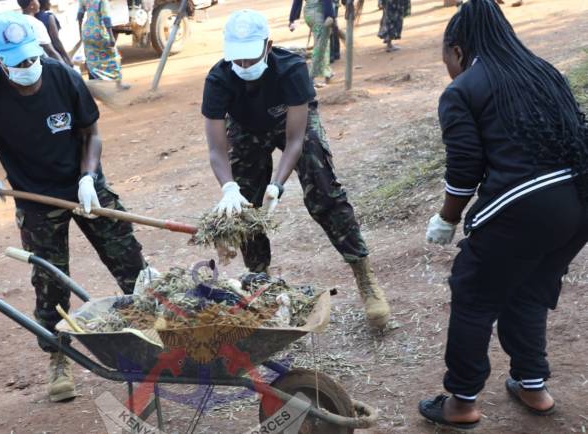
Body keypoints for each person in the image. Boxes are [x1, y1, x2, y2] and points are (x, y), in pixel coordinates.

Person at [0, 11, 148, 402]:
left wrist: (87, 177)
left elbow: (91, 133)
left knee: (130, 262)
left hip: (85, 188)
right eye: (18, 62)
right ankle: (58, 356)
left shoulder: (62, 76)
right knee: (50, 282)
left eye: (32, 57)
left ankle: (155, 338)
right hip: (36, 197)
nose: (28, 68)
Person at [418, 0, 588, 429]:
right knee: (528, 289)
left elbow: (464, 169)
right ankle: (533, 386)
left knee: (473, 294)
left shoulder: (463, 90)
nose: (449, 69)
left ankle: (462, 403)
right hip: (578, 203)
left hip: (526, 207)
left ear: (458, 50)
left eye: (446, 59)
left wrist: (447, 219)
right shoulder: (543, 71)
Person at [202, 9, 391, 329]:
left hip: (289, 122)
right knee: (245, 205)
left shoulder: (290, 68)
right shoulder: (218, 79)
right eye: (238, 58)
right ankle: (259, 283)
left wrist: (277, 184)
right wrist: (228, 188)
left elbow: (294, 140)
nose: (244, 65)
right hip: (246, 128)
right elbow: (216, 149)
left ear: (268, 45)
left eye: (251, 56)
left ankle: (364, 275)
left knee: (323, 189)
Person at [77, 0, 129, 90]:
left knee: (92, 59)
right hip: (99, 32)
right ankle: (119, 84)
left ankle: (94, 86)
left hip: (87, 32)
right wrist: (111, 36)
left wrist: (80, 32)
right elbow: (106, 18)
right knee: (114, 56)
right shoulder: (102, 1)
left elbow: (80, 15)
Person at [289, 0, 336, 88]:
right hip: (319, 13)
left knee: (322, 44)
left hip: (308, 14)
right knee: (321, 45)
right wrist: (330, 15)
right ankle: (311, 76)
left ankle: (327, 72)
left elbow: (297, 2)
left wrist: (292, 19)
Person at [18, 0, 69, 65]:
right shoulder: (35, 23)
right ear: (32, 4)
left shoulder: (17, 22)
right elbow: (50, 51)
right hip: (42, 66)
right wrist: (65, 67)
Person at [36, 0, 72, 65]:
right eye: (48, 1)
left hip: (40, 58)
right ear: (44, 3)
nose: (50, 4)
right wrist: (67, 57)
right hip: (54, 55)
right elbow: (56, 40)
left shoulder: (32, 18)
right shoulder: (49, 17)